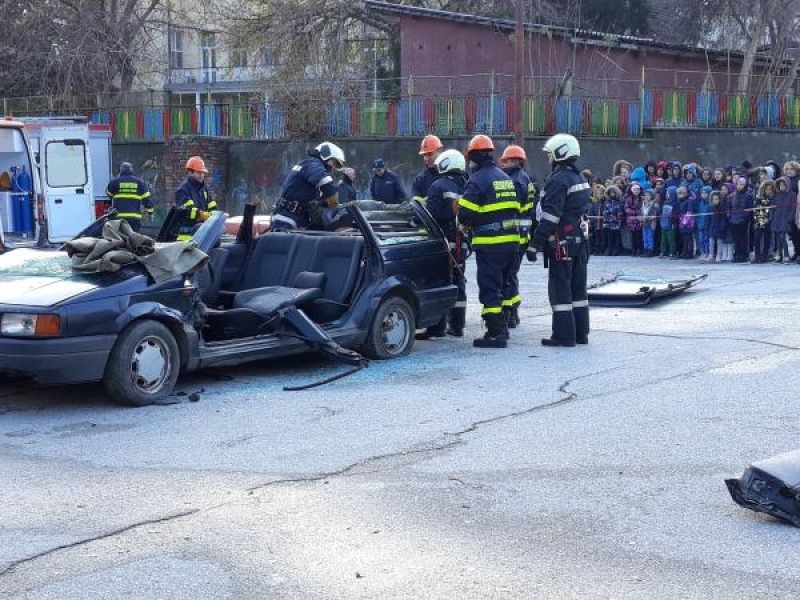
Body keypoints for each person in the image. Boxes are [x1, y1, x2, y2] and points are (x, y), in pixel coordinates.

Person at [458, 134, 520, 349]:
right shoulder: (504, 177)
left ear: (473, 156)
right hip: (511, 241)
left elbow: (465, 214)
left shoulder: (477, 180)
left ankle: (495, 333)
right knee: (503, 285)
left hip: (491, 243)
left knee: (490, 287)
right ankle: (503, 327)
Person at [529, 133, 591, 347]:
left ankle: (564, 336)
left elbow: (550, 216)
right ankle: (581, 333)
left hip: (561, 243)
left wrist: (534, 243)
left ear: (560, 153)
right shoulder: (579, 178)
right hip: (579, 241)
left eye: (550, 154)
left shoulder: (558, 180)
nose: (549, 158)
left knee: (560, 289)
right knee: (578, 289)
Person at [417, 149, 469, 339]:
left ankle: (436, 328)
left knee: (440, 282)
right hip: (461, 241)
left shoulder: (438, 185)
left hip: (443, 242)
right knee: (458, 281)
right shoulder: (467, 184)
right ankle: (457, 326)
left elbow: (432, 216)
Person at [498, 144, 536, 328]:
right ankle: (513, 312)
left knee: (508, 276)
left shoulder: (514, 181)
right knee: (512, 275)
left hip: (512, 235)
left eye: (505, 161)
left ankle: (510, 314)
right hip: (522, 237)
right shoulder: (526, 179)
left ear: (514, 161)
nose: (503, 164)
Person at [272, 142, 345, 231]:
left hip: (292, 217)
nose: (334, 168)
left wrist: (321, 203)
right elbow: (328, 188)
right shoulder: (313, 164)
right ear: (326, 155)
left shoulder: (306, 164)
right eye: (335, 163)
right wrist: (333, 199)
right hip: (288, 220)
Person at [175, 156, 217, 241]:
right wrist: (201, 214)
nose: (202, 175)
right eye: (199, 172)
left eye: (203, 173)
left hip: (201, 234)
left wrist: (215, 216)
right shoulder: (183, 189)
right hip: (186, 237)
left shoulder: (203, 188)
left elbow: (211, 205)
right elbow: (185, 211)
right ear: (190, 172)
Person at [106, 162, 153, 232]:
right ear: (132, 170)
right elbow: (146, 200)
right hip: (134, 218)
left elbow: (109, 194)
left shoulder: (114, 182)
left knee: (121, 239)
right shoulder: (139, 182)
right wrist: (150, 213)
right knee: (134, 239)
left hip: (119, 218)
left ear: (120, 171)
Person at [412, 134, 444, 199]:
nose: (426, 158)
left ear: (440, 151)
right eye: (424, 155)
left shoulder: (452, 175)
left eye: (430, 154)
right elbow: (416, 205)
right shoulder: (419, 180)